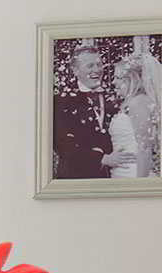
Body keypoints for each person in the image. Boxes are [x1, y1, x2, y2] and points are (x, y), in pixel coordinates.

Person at [53, 44, 134, 178]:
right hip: (76, 178)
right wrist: (102, 159)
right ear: (75, 70)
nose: (96, 70)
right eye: (90, 66)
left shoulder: (115, 98)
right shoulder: (61, 101)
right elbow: (61, 143)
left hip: (113, 177)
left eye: (99, 64)